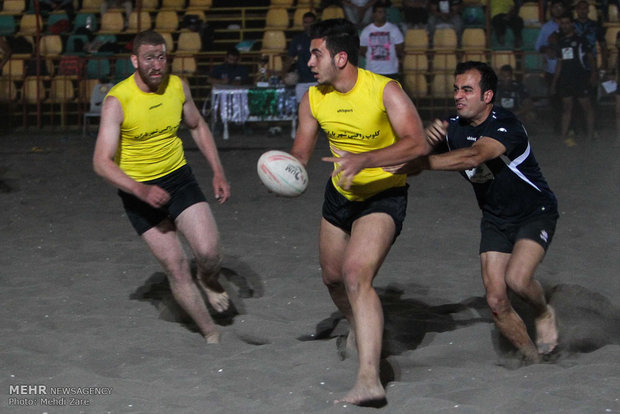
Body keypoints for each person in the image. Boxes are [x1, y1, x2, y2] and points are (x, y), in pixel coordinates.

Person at [290, 18, 430, 406]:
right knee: (333, 279)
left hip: (383, 196)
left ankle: (369, 378)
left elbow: (417, 144)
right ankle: (357, 325)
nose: (309, 61)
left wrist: (364, 159)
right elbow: (301, 151)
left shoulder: (385, 91)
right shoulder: (314, 97)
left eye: (316, 53)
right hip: (340, 194)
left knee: (355, 275)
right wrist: (284, 171)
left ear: (341, 56)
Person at [383, 61, 559, 364]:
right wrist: (423, 145)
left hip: (535, 211)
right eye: (456, 89)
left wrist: (423, 162)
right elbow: (413, 162)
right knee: (494, 299)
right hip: (494, 218)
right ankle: (533, 360)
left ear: (487, 96)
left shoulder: (507, 124)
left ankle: (543, 311)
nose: (458, 96)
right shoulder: (452, 127)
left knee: (517, 280)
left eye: (467, 90)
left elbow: (474, 157)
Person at [92, 31, 231, 344]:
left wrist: (218, 171)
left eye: (161, 56)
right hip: (138, 190)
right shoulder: (118, 101)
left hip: (178, 178)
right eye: (149, 58)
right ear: (134, 61)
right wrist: (139, 190)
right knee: (176, 266)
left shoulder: (178, 87)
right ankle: (210, 333)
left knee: (208, 253)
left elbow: (196, 125)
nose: (157, 64)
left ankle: (207, 279)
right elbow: (101, 162)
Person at [550, 13, 596, 146]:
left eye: (567, 23)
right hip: (566, 79)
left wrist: (594, 73)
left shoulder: (581, 40)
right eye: (562, 23)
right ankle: (563, 136)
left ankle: (589, 136)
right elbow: (559, 63)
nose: (564, 26)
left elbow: (590, 58)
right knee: (566, 108)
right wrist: (554, 82)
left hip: (580, 78)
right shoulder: (561, 42)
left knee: (587, 107)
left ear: (572, 24)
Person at [535, 0, 564, 131]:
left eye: (560, 6)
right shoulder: (546, 27)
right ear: (551, 9)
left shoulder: (570, 24)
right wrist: (547, 49)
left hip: (568, 69)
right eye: (555, 7)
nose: (558, 9)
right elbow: (538, 47)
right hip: (552, 69)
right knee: (556, 100)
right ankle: (559, 127)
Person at [359, 1, 405, 80]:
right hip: (372, 71)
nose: (383, 14)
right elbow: (362, 50)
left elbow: (399, 48)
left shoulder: (393, 29)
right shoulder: (366, 31)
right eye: (380, 12)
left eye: (384, 12)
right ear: (374, 14)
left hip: (390, 70)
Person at [281, 11, 317, 104]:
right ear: (303, 23)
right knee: (302, 110)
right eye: (306, 22)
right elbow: (290, 58)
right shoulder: (297, 40)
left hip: (318, 81)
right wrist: (283, 73)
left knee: (319, 111)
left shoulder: (320, 39)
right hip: (302, 81)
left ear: (315, 23)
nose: (308, 25)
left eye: (311, 22)